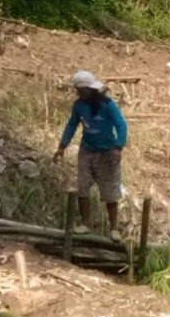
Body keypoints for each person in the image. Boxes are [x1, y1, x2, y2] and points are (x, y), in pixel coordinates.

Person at [53, 70, 128, 242]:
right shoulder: (79, 106)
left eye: (82, 91)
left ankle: (114, 228)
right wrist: (62, 146)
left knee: (110, 192)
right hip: (87, 151)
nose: (79, 94)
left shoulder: (108, 105)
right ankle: (85, 224)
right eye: (78, 91)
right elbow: (72, 125)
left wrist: (118, 148)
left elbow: (121, 125)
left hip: (107, 153)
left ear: (90, 90)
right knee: (83, 187)